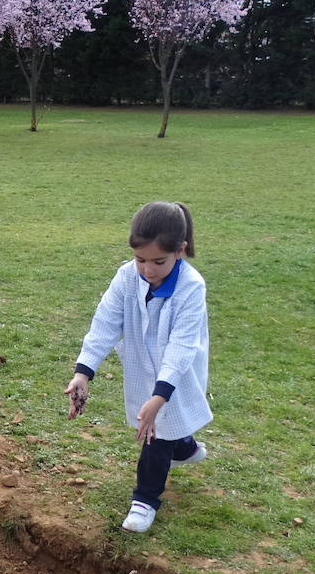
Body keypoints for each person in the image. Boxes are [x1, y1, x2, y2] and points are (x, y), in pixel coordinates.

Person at [65, 201, 211, 534]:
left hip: (177, 369)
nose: (148, 270)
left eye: (159, 261)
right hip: (141, 362)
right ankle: (186, 448)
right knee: (167, 426)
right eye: (140, 259)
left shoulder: (191, 286)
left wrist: (159, 397)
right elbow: (105, 323)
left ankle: (145, 500)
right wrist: (83, 372)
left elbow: (181, 347)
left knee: (156, 431)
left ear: (181, 250)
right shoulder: (126, 277)